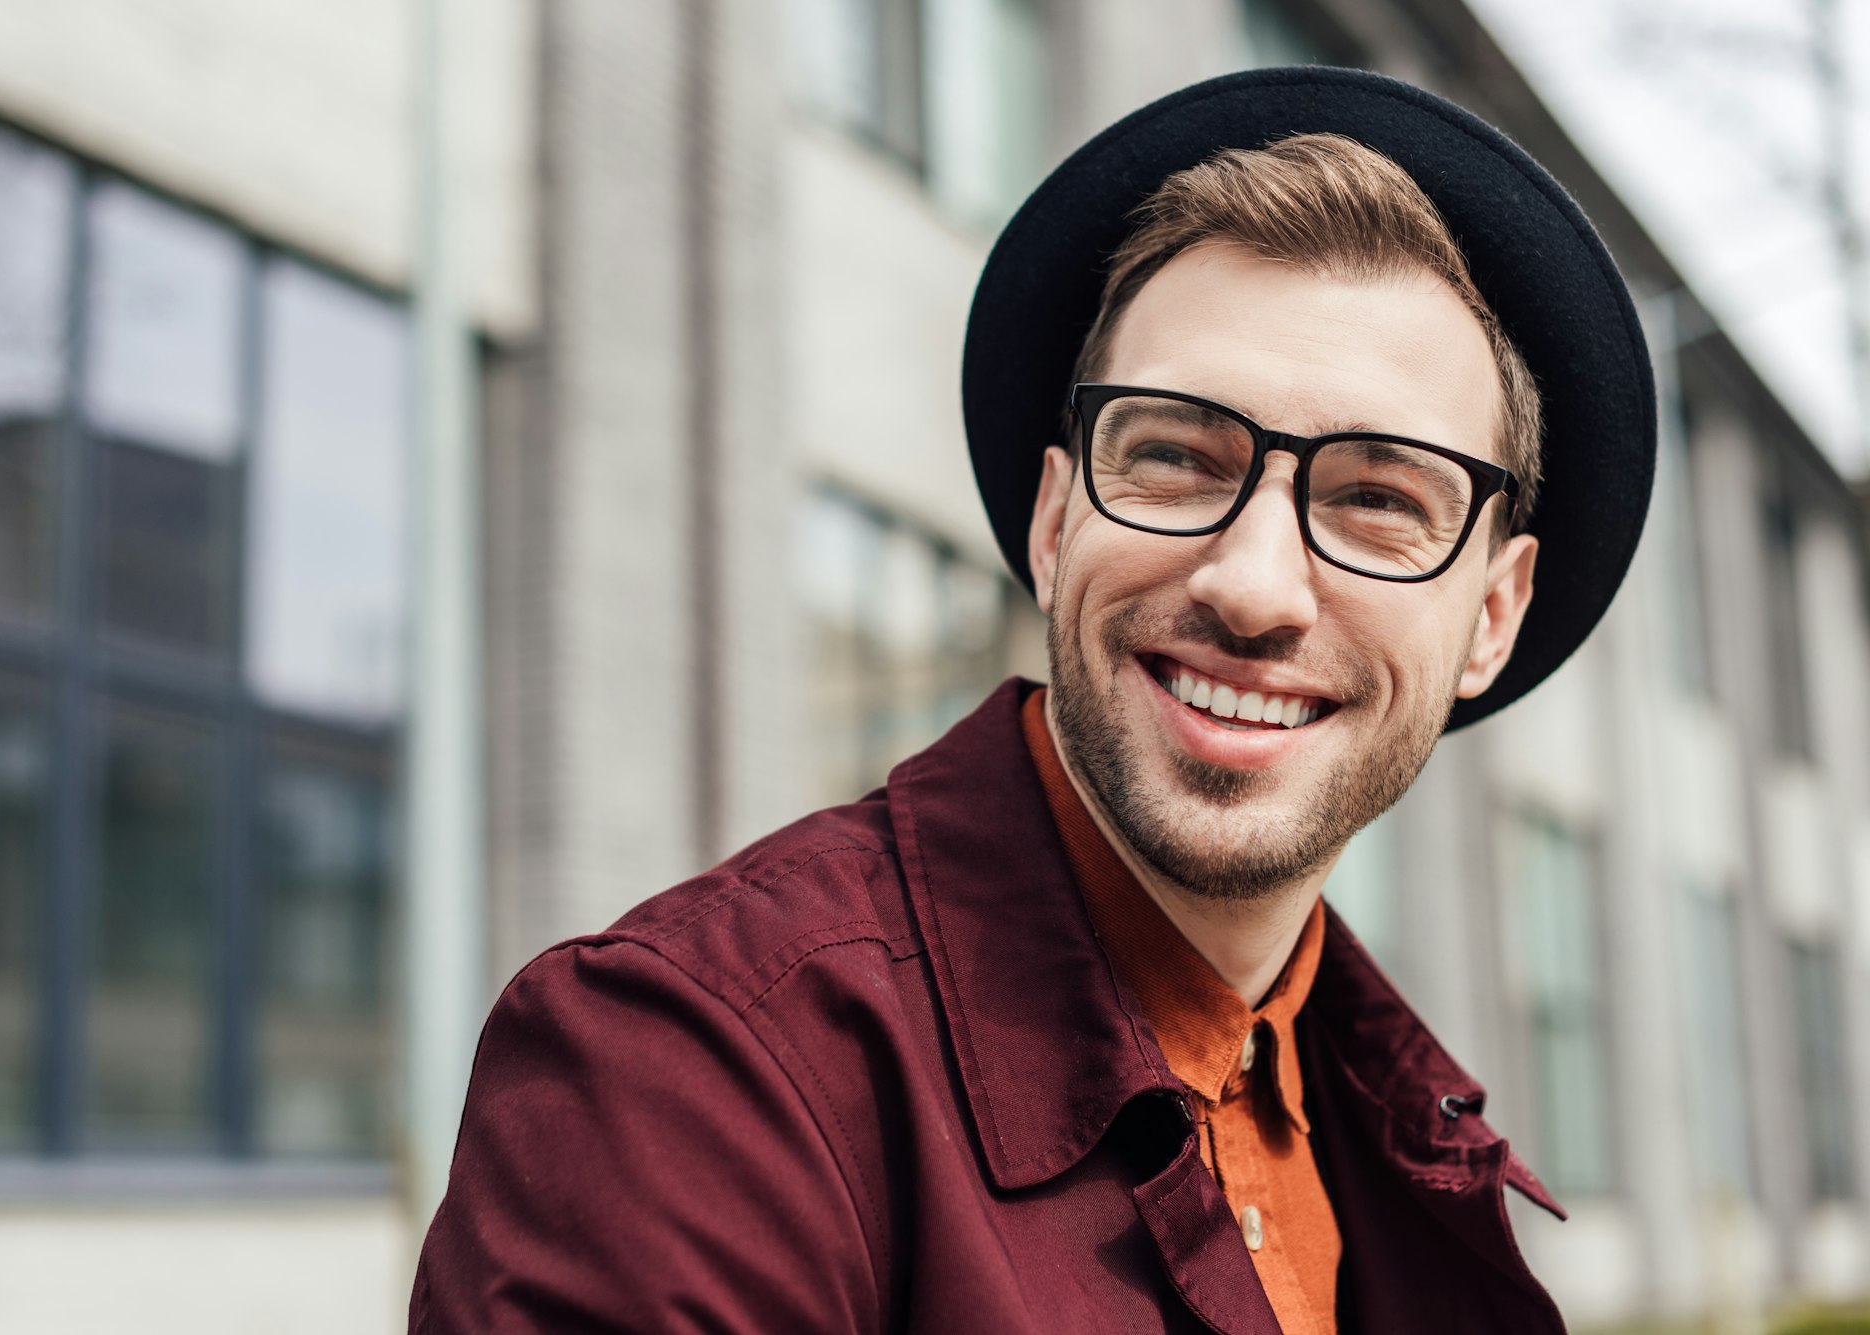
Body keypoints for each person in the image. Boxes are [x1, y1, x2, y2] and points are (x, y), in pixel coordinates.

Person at [411, 67, 1654, 1334]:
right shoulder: (688, 1070)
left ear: (1488, 617)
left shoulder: (1384, 1129)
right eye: (1174, 457)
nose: (1253, 586)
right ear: (1055, 523)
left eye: (1378, 501)